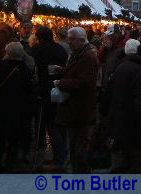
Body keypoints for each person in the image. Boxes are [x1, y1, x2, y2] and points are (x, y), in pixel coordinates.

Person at [104, 39, 141, 173]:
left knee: (125, 161)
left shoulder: (121, 67)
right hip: (134, 128)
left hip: (119, 124)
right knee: (137, 165)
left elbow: (107, 93)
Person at [54, 27, 99, 173]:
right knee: (76, 148)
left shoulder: (87, 57)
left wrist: (61, 83)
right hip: (76, 110)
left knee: (79, 150)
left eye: (72, 39)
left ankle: (81, 181)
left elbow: (84, 83)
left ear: (81, 40)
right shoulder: (79, 54)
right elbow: (79, 74)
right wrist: (63, 70)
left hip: (80, 111)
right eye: (68, 38)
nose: (69, 42)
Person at [0, 42, 37, 173]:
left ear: (7, 53)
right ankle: (10, 163)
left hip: (0, 107)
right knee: (13, 138)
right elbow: (29, 90)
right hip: (18, 109)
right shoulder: (25, 70)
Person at [32, 26, 69, 171]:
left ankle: (59, 158)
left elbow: (35, 69)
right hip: (60, 88)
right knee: (60, 123)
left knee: (51, 125)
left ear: (40, 38)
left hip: (46, 90)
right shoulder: (60, 49)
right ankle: (63, 154)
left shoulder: (39, 50)